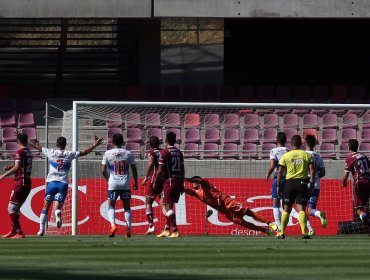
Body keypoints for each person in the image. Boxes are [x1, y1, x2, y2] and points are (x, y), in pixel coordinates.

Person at [29, 135, 103, 236]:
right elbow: (84, 152)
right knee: (58, 206)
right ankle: (57, 213)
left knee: (46, 206)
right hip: (63, 184)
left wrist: (27, 140)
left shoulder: (51, 152)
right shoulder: (69, 154)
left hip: (51, 183)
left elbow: (37, 146)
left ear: (56, 144)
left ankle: (41, 230)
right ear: (65, 145)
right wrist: (94, 144)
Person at [185, 176, 278, 235]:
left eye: (194, 181)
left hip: (227, 201)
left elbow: (198, 180)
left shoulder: (205, 183)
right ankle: (264, 230)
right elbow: (186, 190)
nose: (193, 183)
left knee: (247, 212)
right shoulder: (197, 193)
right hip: (222, 209)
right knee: (241, 222)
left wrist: (186, 179)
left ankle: (270, 223)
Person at [276, 135, 315, 239]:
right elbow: (312, 170)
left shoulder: (286, 155)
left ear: (291, 144)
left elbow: (280, 171)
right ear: (301, 144)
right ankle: (304, 233)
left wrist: (278, 185)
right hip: (302, 183)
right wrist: (312, 183)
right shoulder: (306, 155)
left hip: (289, 184)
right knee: (301, 209)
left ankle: (282, 233)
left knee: (286, 210)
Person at [101, 133, 138, 238]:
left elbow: (103, 170)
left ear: (112, 142)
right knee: (127, 207)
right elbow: (134, 168)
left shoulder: (108, 153)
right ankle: (128, 228)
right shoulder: (128, 153)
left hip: (113, 184)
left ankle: (113, 225)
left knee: (111, 205)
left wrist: (108, 179)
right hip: (125, 184)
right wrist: (135, 182)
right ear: (122, 142)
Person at [0, 132, 33, 239]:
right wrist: (11, 167)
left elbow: (18, 166)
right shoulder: (28, 151)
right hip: (27, 182)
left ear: (17, 141)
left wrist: (3, 175)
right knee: (16, 209)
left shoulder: (19, 151)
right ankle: (13, 231)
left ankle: (19, 232)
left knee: (11, 208)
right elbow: (22, 166)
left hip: (20, 183)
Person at [154, 132, 184, 238]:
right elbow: (182, 169)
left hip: (169, 181)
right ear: (175, 140)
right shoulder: (179, 152)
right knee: (169, 206)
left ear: (166, 140)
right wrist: (182, 183)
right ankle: (167, 230)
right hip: (178, 180)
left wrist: (155, 181)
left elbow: (160, 169)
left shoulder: (165, 152)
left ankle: (175, 231)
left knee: (167, 206)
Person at [342, 139, 370, 226]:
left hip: (360, 183)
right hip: (368, 181)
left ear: (349, 147)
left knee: (359, 209)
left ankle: (367, 221)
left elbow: (345, 176)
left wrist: (344, 183)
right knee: (366, 206)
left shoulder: (350, 158)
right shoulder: (364, 156)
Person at [265, 132, 289, 230]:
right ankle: (283, 227)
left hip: (278, 178)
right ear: (285, 141)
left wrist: (268, 174)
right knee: (285, 203)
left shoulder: (273, 151)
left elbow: (272, 164)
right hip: (288, 178)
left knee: (275, 202)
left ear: (276, 141)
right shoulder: (289, 151)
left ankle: (279, 228)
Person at [304, 135, 327, 235]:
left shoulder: (303, 155)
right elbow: (323, 172)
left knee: (301, 209)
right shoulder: (318, 156)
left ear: (305, 143)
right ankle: (318, 214)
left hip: (304, 184)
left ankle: (310, 229)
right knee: (310, 209)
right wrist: (316, 177)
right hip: (316, 185)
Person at [142, 136, 163, 235]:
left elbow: (151, 164)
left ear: (150, 144)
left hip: (153, 179)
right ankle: (168, 225)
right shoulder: (164, 152)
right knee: (163, 203)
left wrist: (146, 177)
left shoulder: (151, 153)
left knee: (148, 202)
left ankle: (151, 226)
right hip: (163, 180)